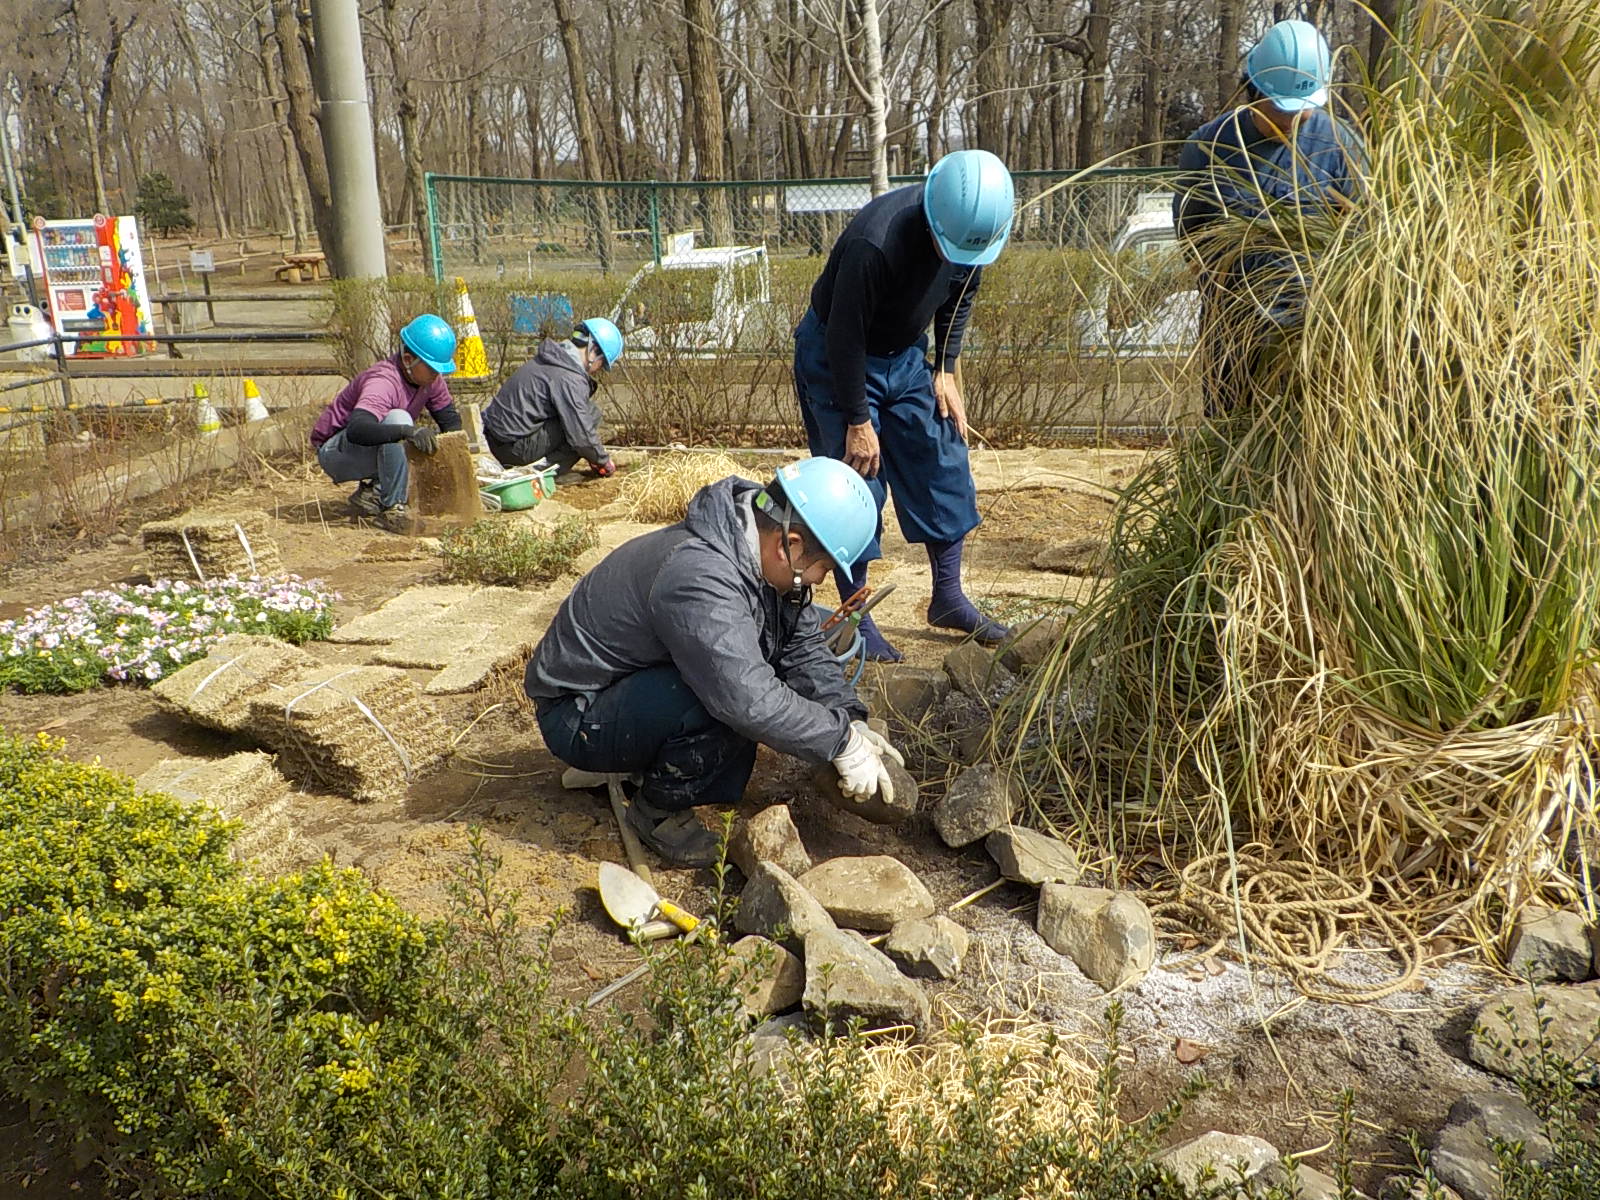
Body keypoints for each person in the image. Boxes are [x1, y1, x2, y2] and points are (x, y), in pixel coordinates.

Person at [525, 456, 905, 866]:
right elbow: (745, 699)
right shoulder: (700, 576)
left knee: (745, 671)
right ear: (789, 545)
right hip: (576, 715)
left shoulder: (754, 551)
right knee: (729, 696)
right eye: (824, 569)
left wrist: (848, 718)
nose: (819, 581)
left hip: (625, 687)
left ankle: (638, 758)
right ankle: (657, 811)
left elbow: (800, 646)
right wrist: (837, 742)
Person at [794, 148, 1015, 663]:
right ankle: (855, 614)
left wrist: (946, 369)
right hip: (839, 358)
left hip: (907, 357)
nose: (958, 260)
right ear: (934, 219)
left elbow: (961, 296)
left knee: (943, 457)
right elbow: (844, 335)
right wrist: (857, 419)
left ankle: (948, 598)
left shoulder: (972, 236)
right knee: (857, 484)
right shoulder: (876, 242)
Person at [1173, 19, 1364, 415]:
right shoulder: (1208, 147)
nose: (1294, 119)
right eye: (1282, 108)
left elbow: (1364, 239)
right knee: (1231, 442)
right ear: (1255, 89)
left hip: (1316, 337)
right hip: (1234, 337)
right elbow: (1193, 242)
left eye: (1304, 108)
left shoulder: (1341, 145)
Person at [310, 314, 464, 528]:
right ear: (409, 360)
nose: (437, 374)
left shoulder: (429, 380)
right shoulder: (383, 381)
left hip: (366, 449)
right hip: (336, 453)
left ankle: (374, 493)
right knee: (399, 420)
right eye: (432, 368)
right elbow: (357, 429)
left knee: (417, 436)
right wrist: (407, 432)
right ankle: (392, 510)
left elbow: (450, 422)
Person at [483, 317, 624, 477]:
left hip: (498, 441)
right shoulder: (569, 377)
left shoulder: (553, 359)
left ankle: (541, 467)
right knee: (590, 415)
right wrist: (602, 461)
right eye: (602, 363)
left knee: (581, 414)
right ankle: (545, 472)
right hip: (514, 449)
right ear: (594, 351)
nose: (598, 370)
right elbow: (581, 435)